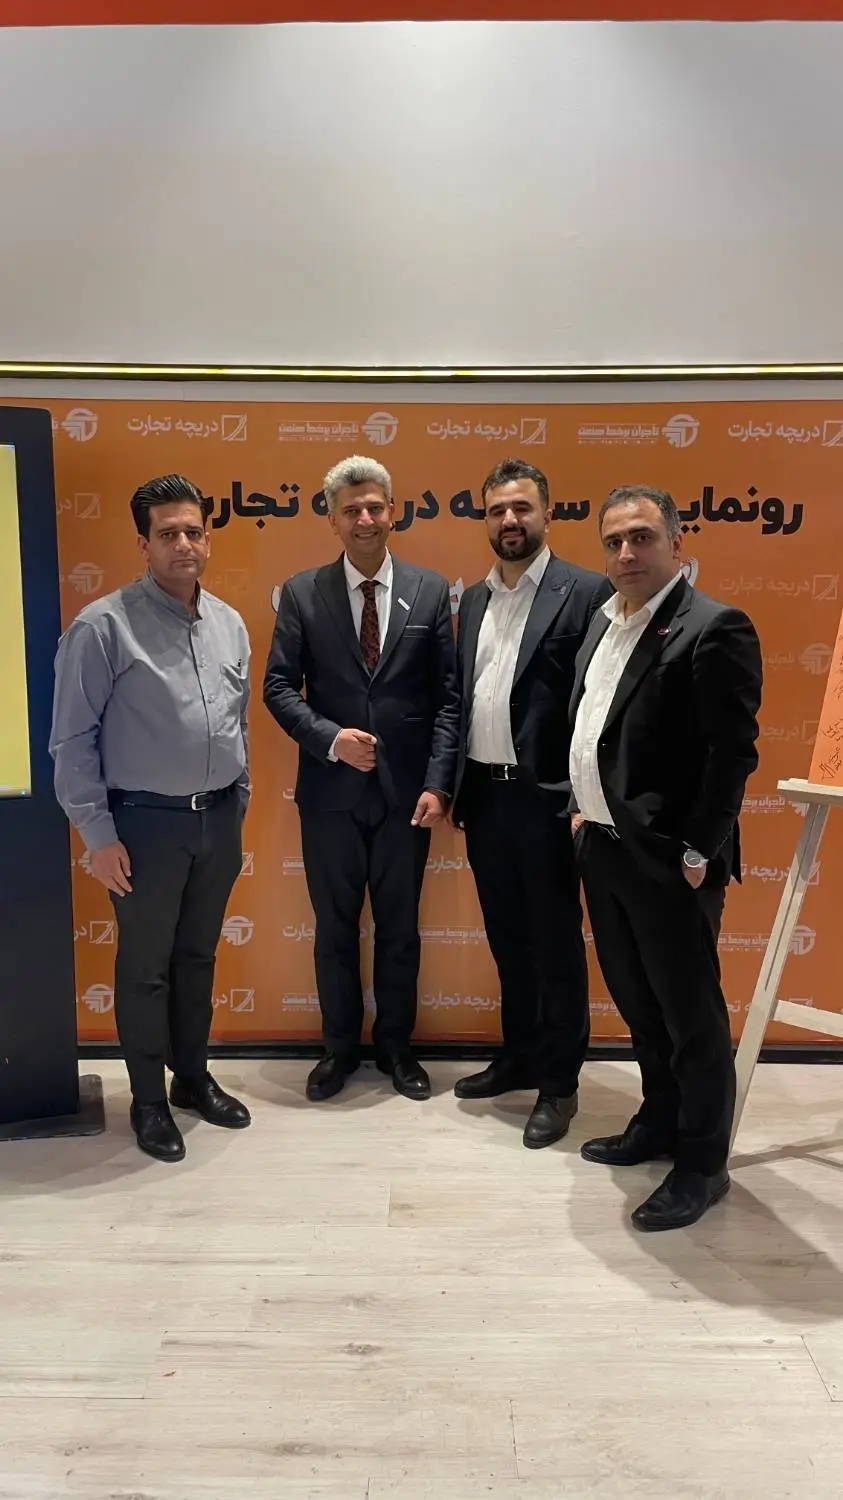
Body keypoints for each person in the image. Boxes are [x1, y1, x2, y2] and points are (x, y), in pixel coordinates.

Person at [570, 484, 762, 1231]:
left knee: (691, 1018)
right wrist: (580, 814)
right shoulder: (603, 621)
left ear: (676, 543)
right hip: (603, 847)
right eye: (614, 541)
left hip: (669, 860)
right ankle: (658, 1121)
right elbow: (597, 727)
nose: (626, 553)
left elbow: (731, 754)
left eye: (642, 537)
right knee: (639, 1005)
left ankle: (703, 1164)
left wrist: (696, 849)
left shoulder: (713, 627)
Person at [50, 474, 252, 1163]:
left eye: (193, 531)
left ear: (207, 537)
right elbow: (71, 741)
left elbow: (235, 722)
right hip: (141, 828)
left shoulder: (229, 623)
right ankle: (147, 1101)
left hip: (217, 822)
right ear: (143, 544)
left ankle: (191, 1078)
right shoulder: (102, 627)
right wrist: (97, 836)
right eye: (168, 534)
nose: (183, 544)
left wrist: (239, 797)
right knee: (145, 969)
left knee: (197, 959)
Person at [263, 454, 460, 1103]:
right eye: (351, 509)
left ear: (392, 511)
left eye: (375, 506)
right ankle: (339, 1050)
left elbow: (448, 699)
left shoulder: (429, 591)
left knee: (400, 931)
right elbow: (277, 688)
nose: (365, 519)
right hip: (330, 796)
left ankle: (398, 1049)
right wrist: (330, 740)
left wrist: (439, 782)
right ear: (332, 518)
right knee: (334, 929)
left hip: (408, 797)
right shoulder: (302, 593)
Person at [451, 458, 612, 1147]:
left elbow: (599, 702)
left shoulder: (587, 591)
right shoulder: (473, 600)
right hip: (485, 797)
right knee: (507, 941)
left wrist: (579, 796)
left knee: (554, 947)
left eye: (521, 508)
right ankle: (517, 1056)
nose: (509, 520)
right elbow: (465, 699)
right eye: (496, 510)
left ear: (547, 513)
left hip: (548, 802)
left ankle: (559, 1083)